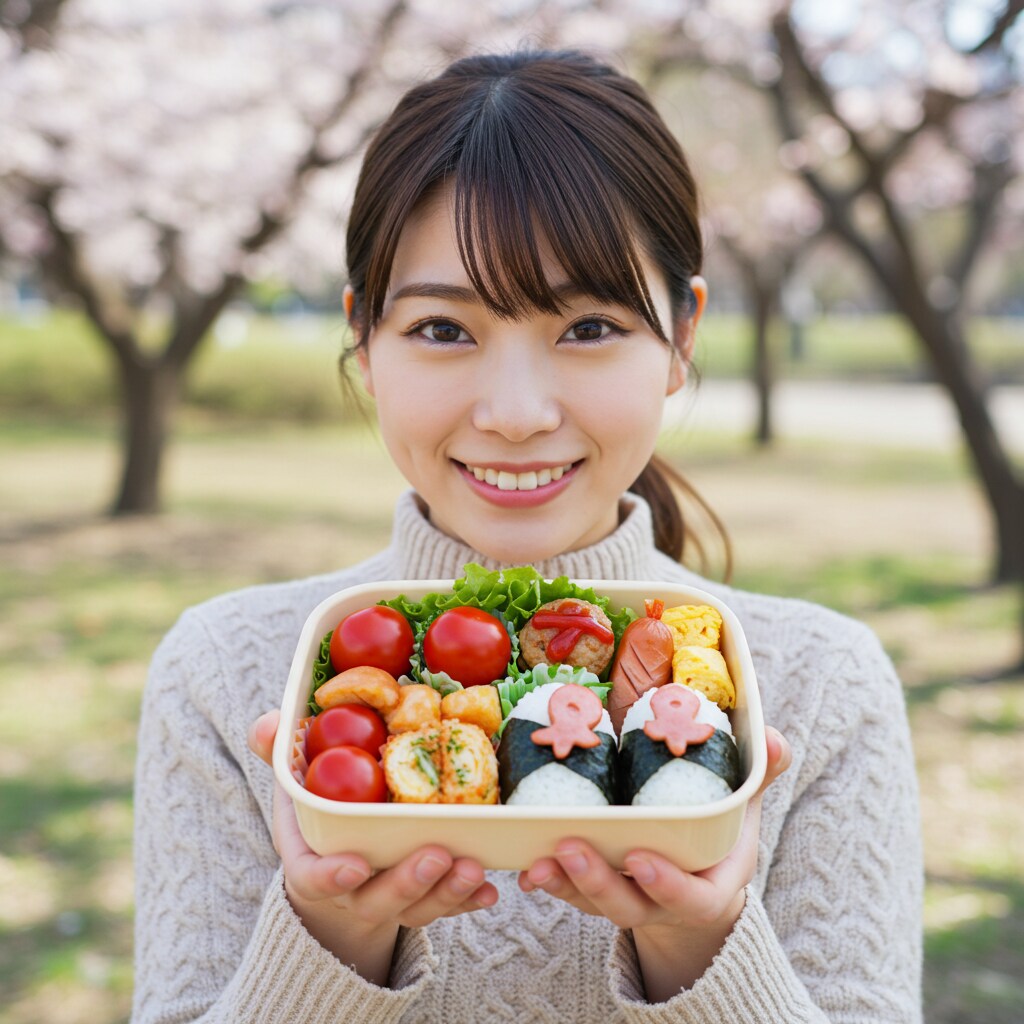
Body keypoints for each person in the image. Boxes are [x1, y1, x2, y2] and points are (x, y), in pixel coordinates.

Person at [131, 49, 923, 1022]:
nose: (514, 414)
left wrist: (702, 948)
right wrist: (327, 939)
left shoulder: (821, 685)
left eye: (588, 328)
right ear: (364, 341)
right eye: (442, 329)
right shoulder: (224, 676)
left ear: (680, 338)